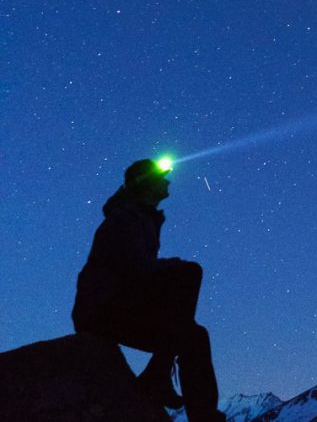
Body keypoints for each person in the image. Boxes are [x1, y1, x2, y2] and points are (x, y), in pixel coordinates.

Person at [72, 159, 225, 422]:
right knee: (188, 273)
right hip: (100, 310)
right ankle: (158, 374)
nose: (167, 181)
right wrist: (172, 267)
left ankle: (200, 413)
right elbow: (133, 270)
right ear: (144, 183)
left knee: (193, 336)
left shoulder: (140, 218)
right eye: (160, 177)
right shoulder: (125, 218)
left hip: (118, 306)